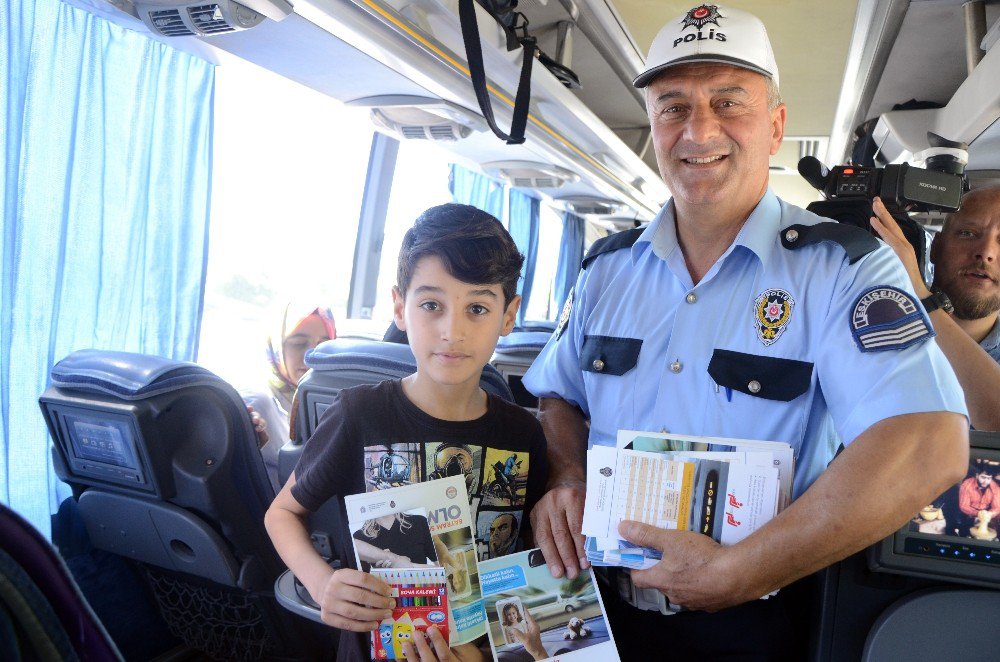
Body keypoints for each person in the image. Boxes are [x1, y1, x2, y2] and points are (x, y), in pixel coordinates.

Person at [521, 4, 969, 658]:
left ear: (776, 127)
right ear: (653, 126)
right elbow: (559, 397)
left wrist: (741, 569)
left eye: (728, 103)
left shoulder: (842, 267)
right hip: (600, 608)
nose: (698, 130)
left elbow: (928, 443)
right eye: (673, 106)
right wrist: (565, 474)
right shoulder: (605, 270)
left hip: (756, 625)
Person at [264, 203, 549, 661]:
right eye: (432, 305)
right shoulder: (360, 413)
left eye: (477, 307)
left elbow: (527, 561)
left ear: (509, 315)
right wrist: (322, 585)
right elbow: (281, 514)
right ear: (400, 306)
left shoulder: (524, 434)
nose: (452, 330)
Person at [871, 186, 1000, 429]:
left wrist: (922, 298)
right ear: (936, 248)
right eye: (968, 234)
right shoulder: (879, 329)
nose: (986, 253)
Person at [243, 302, 336, 489]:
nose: (311, 355)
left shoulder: (333, 397)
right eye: (298, 344)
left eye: (324, 345)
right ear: (276, 347)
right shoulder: (258, 403)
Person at [957, 462, 1000, 533]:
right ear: (977, 475)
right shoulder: (966, 485)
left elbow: (997, 507)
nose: (986, 481)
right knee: (965, 532)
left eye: (989, 478)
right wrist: (978, 514)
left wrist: (989, 514)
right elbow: (963, 506)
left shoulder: (995, 487)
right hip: (969, 514)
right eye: (983, 477)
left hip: (987, 515)